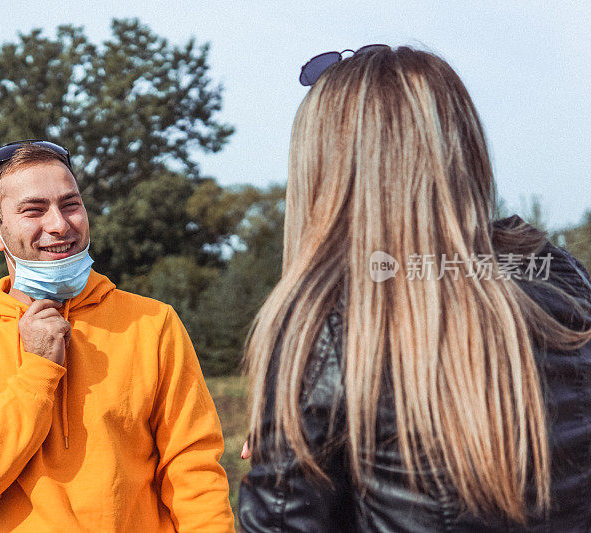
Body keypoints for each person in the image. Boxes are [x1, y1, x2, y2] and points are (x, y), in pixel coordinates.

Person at [238, 46, 591, 531]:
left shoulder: (328, 321)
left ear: (323, 169)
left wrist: (282, 454)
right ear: (461, 147)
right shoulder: (559, 277)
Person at [0, 140, 236, 532]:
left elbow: (194, 469)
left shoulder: (153, 322)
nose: (59, 224)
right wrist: (37, 371)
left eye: (70, 205)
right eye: (34, 210)